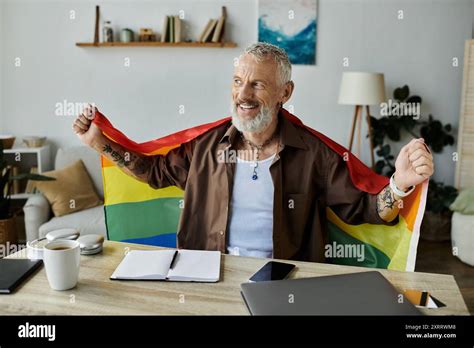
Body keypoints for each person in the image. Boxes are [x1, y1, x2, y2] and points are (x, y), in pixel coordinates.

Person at [73, 42, 434, 262]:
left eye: (257, 84)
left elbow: (368, 210)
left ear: (285, 93)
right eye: (237, 81)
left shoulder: (315, 154)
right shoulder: (206, 146)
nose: (242, 94)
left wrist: (400, 183)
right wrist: (98, 143)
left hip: (287, 285)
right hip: (206, 279)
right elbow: (153, 172)